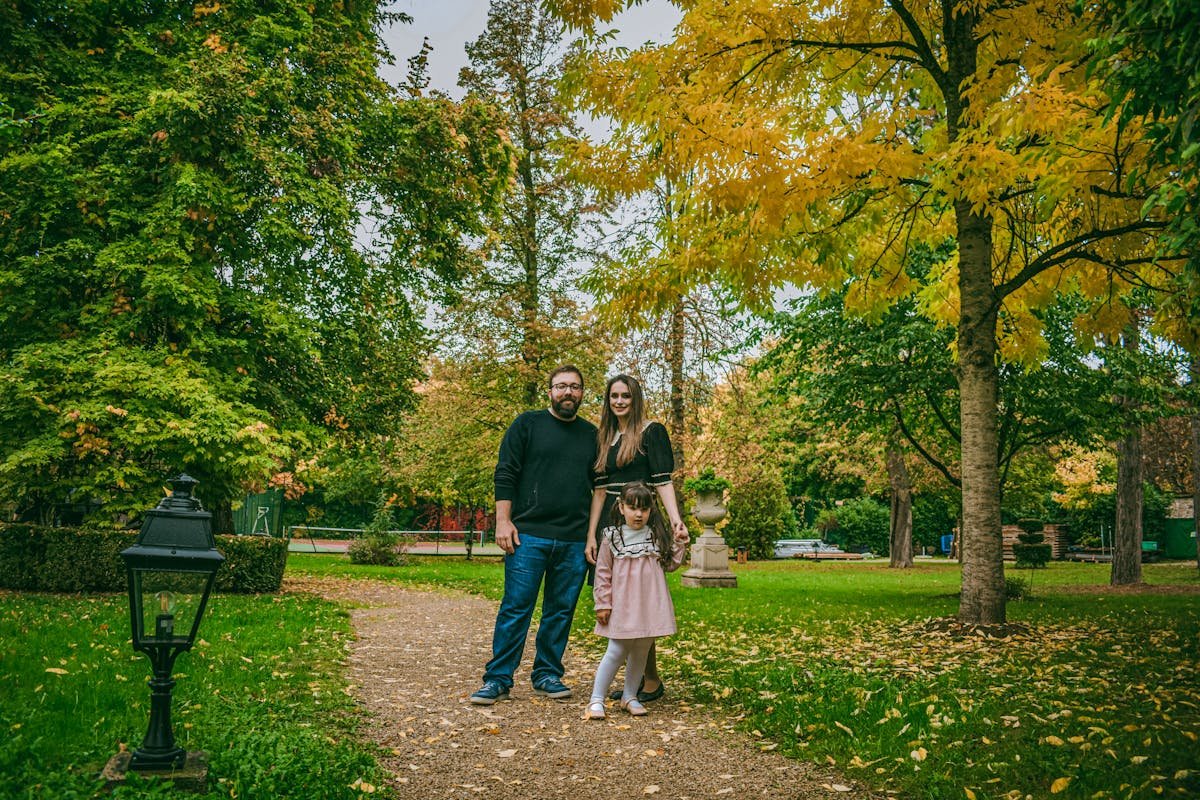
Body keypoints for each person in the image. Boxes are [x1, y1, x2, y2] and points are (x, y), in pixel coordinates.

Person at [469, 365, 598, 705]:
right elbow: (506, 472)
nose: (568, 392)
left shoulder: (592, 435)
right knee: (516, 608)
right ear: (550, 391)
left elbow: (600, 489)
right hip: (527, 536)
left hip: (573, 539)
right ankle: (497, 679)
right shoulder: (527, 424)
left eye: (574, 387)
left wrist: (592, 536)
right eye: (561, 386)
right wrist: (503, 521)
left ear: (583, 393)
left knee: (560, 611)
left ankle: (547, 674)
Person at [585, 373, 688, 704]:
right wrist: (592, 535)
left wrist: (675, 521)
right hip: (610, 525)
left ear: (635, 398)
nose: (619, 402)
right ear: (608, 400)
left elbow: (662, 481)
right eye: (614, 396)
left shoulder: (650, 433)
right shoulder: (605, 437)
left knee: (641, 599)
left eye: (625, 396)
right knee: (620, 599)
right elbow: (599, 492)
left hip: (641, 520)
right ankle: (640, 679)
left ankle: (649, 679)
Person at [583, 481, 689, 719]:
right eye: (632, 508)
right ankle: (596, 699)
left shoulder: (656, 536)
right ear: (621, 508)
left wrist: (680, 541)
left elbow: (671, 564)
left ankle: (629, 696)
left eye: (644, 508)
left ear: (650, 510)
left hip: (649, 604)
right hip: (623, 605)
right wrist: (603, 603)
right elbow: (602, 572)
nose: (638, 514)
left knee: (641, 649)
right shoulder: (612, 537)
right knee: (616, 649)